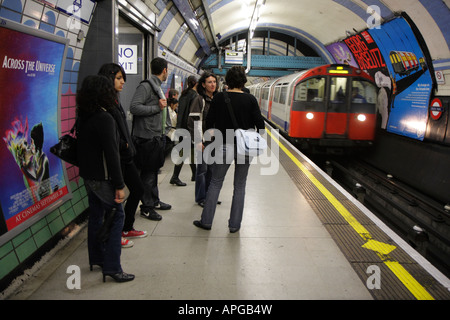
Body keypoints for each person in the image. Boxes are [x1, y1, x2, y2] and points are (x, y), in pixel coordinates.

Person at [76, 75, 134, 283]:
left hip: (88, 176)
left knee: (96, 214)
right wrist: (119, 185)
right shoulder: (105, 118)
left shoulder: (84, 115)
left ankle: (97, 257)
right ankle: (112, 267)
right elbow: (111, 155)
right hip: (103, 177)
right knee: (117, 215)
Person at [193, 66, 265, 233]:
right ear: (243, 81)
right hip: (245, 148)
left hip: (224, 145)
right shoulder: (250, 99)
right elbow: (261, 128)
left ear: (227, 80)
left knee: (216, 183)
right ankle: (234, 225)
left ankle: (207, 221)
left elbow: (209, 123)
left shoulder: (219, 98)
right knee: (240, 186)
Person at [98, 63, 147, 249]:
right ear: (108, 78)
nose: (123, 82)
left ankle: (126, 227)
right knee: (113, 201)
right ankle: (113, 234)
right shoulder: (104, 104)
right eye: (119, 78)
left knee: (138, 189)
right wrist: (123, 145)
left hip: (126, 156)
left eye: (122, 78)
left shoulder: (115, 100)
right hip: (115, 158)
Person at [130, 57, 172, 221]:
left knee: (153, 171)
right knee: (148, 174)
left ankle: (154, 201)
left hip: (155, 136)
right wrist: (157, 107)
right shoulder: (146, 86)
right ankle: (146, 207)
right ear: (165, 71)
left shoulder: (157, 87)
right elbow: (134, 107)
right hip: (146, 137)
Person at [188, 72, 218, 206]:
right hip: (204, 140)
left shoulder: (217, 99)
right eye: (210, 82)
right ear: (203, 84)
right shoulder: (199, 100)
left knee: (213, 170)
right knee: (202, 170)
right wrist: (198, 140)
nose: (213, 84)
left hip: (215, 140)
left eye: (214, 82)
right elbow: (193, 121)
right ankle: (201, 198)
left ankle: (210, 196)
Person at [170, 76, 198, 184]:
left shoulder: (183, 95)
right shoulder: (194, 95)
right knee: (185, 152)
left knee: (189, 151)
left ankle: (194, 174)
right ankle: (175, 177)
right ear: (195, 83)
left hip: (181, 126)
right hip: (188, 127)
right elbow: (193, 114)